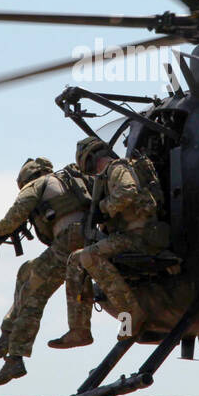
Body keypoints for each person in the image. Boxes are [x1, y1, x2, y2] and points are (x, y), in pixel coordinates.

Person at [0, 156, 95, 386]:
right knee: (26, 271)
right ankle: (7, 335)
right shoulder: (69, 180)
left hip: (68, 240)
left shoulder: (37, 184)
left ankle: (15, 357)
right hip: (87, 240)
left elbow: (16, 213)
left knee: (33, 290)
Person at [65, 137, 166, 340]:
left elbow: (128, 190)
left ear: (93, 157)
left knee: (89, 257)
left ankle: (131, 315)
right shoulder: (108, 175)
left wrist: (103, 208)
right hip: (129, 237)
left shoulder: (117, 168)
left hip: (140, 237)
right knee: (75, 260)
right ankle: (80, 329)